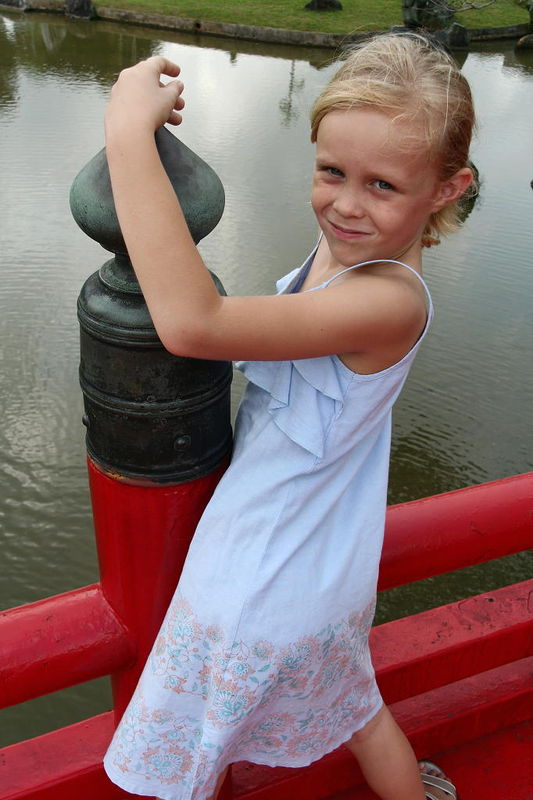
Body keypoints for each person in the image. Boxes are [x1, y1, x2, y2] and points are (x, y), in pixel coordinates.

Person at [102, 33, 474, 800]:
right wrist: (377, 189)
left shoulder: (385, 300)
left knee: (191, 759)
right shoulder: (363, 249)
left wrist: (124, 132)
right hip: (321, 565)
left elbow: (192, 323)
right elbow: (365, 204)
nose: (344, 204)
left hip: (260, 576)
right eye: (330, 171)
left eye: (381, 186)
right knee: (359, 709)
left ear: (447, 188)